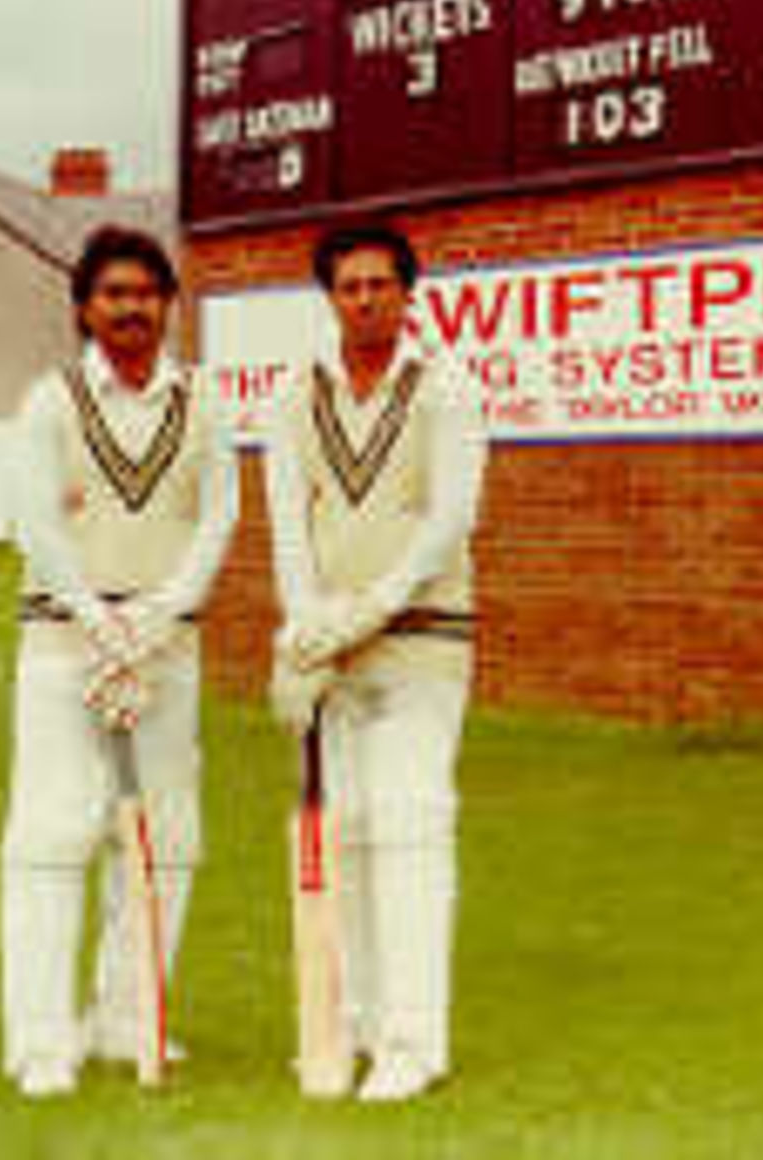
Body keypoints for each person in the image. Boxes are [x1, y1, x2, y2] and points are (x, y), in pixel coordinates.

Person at [0, 224, 238, 1097]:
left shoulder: (203, 402)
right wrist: (103, 626)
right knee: (52, 837)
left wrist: (158, 618)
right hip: (66, 646)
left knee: (166, 839)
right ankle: (41, 1039)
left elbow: (217, 519)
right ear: (84, 308)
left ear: (170, 305)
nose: (132, 308)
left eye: (146, 293)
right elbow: (39, 527)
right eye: (114, 294)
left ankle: (129, 1018)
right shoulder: (48, 402)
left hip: (167, 646)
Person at [264, 222, 487, 1103]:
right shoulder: (295, 392)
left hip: (423, 638)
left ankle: (412, 1043)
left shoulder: (447, 388)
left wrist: (368, 609)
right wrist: (308, 628)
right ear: (331, 296)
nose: (364, 299)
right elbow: (288, 515)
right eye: (349, 286)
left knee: (409, 825)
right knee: (344, 834)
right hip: (328, 647)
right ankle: (343, 1026)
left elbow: (447, 523)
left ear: (407, 293)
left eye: (380, 285)